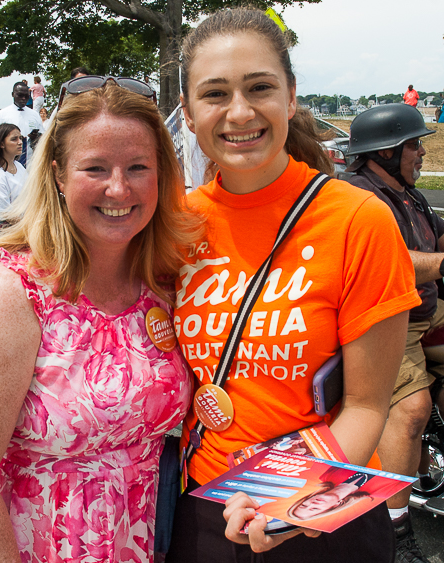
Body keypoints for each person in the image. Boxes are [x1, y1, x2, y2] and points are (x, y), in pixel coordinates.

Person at [164, 8, 420, 563]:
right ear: (187, 112)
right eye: (214, 94)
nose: (239, 112)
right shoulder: (173, 224)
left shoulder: (358, 220)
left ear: (291, 96)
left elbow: (367, 406)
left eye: (260, 87)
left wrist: (285, 499)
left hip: (321, 510)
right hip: (201, 504)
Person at [0, 77, 201, 563]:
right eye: (95, 168)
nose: (118, 187)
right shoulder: (11, 292)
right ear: (58, 175)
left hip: (138, 538)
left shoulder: (163, 284)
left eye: (138, 167)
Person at [346, 103, 442, 563]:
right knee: (410, 409)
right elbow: (394, 260)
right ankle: (397, 533)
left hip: (426, 309)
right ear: (384, 152)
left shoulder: (410, 194)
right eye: (413, 145)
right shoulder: (356, 198)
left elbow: (437, 238)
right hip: (385, 320)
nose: (421, 152)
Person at [0, 82, 44, 163]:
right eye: (20, 95)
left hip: (30, 162)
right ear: (13, 94)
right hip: (9, 162)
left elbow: (43, 137)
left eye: (26, 96)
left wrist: (36, 137)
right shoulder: (2, 114)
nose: (23, 98)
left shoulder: (34, 114)